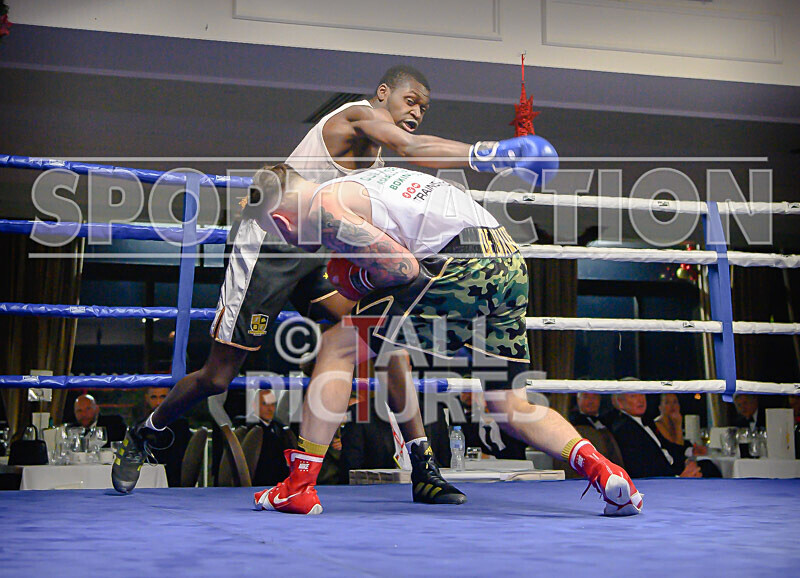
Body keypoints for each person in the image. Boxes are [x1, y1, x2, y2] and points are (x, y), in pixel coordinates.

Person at [112, 65, 555, 505]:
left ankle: (423, 466)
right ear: (382, 93)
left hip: (322, 250)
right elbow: (413, 147)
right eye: (410, 101)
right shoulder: (355, 116)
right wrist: (490, 153)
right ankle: (145, 431)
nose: (417, 112)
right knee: (219, 376)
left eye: (423, 107)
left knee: (382, 336)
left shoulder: (376, 165)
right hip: (270, 243)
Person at [251, 163, 641, 516]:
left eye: (279, 233)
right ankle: (604, 470)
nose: (289, 240)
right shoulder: (360, 184)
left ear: (281, 221)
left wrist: (358, 279)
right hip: (508, 262)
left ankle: (298, 487)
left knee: (339, 345)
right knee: (508, 405)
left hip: (460, 261)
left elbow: (403, 268)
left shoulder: (323, 208)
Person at [609, 392, 702, 479]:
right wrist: (679, 478)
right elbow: (641, 469)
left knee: (706, 464)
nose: (640, 400)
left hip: (674, 469)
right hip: (664, 480)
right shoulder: (625, 430)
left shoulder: (646, 422)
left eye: (642, 394)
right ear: (620, 403)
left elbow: (667, 447)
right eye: (633, 396)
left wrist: (688, 458)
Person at [654, 393, 719, 478]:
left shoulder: (672, 422)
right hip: (671, 467)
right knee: (707, 468)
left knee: (709, 464)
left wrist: (692, 450)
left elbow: (683, 447)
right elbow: (677, 451)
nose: (672, 406)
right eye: (667, 403)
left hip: (681, 462)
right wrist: (678, 425)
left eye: (675, 402)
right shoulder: (658, 425)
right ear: (660, 407)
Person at [141, 387, 191, 487]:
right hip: (146, 474)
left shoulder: (179, 424)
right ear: (147, 399)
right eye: (154, 397)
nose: (158, 402)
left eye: (163, 397)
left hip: (169, 479)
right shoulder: (143, 424)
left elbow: (177, 460)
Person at [249, 390, 298, 486]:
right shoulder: (248, 428)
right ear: (254, 405)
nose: (270, 409)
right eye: (265, 404)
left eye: (272, 404)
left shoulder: (280, 428)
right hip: (259, 483)